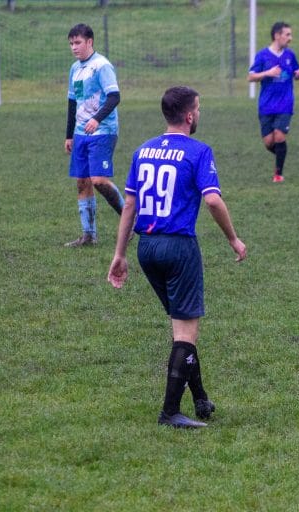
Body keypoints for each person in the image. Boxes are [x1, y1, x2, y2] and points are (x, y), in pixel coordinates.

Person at [108, 86, 247, 428]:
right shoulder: (198, 152)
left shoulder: (143, 151)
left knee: (180, 327)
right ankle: (170, 412)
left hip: (147, 248)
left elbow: (129, 204)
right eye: (198, 109)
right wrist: (233, 238)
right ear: (189, 115)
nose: (199, 114)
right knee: (186, 333)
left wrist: (119, 254)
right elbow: (213, 201)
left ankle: (200, 398)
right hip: (179, 247)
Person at [63, 23, 125, 247]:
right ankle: (89, 235)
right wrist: (69, 135)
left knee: (98, 180)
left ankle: (132, 221)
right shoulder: (75, 69)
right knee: (82, 182)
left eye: (77, 42)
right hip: (81, 134)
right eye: (71, 43)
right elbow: (72, 102)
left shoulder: (102, 66)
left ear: (89, 42)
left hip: (103, 131)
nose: (74, 47)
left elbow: (114, 97)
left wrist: (97, 118)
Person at [248, 21, 299, 183]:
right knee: (269, 142)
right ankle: (282, 154)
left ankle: (278, 174)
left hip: (285, 103)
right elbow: (251, 77)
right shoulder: (262, 55)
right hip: (266, 105)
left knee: (279, 136)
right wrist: (268, 73)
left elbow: (296, 70)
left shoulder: (290, 55)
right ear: (277, 36)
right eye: (287, 35)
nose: (290, 38)